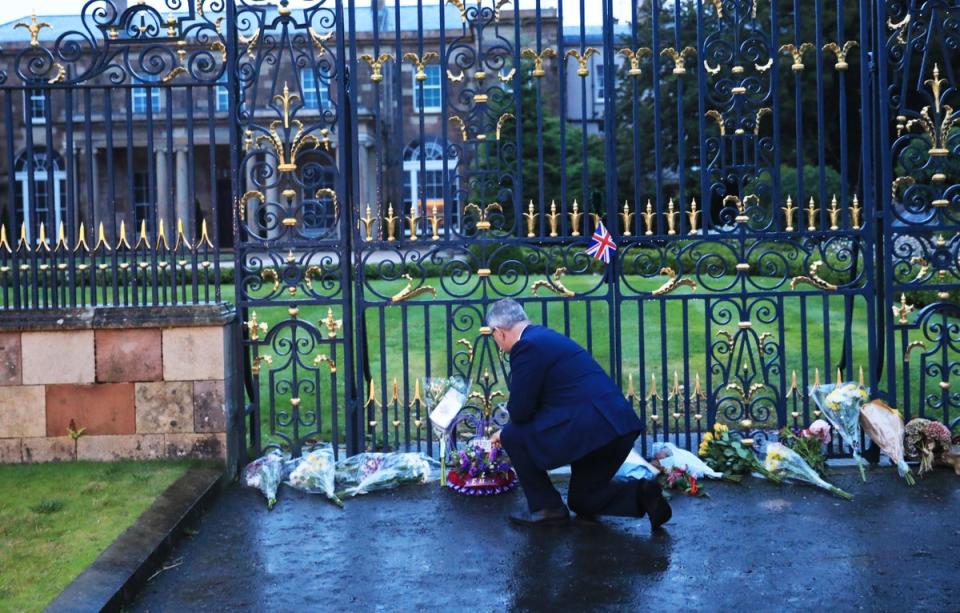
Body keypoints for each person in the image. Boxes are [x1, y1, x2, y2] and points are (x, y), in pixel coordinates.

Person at [486, 298, 671, 529]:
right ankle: (643, 494)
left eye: (493, 336)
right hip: (615, 428)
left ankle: (547, 508)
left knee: (512, 434)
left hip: (591, 431)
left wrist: (502, 433)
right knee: (583, 500)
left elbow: (520, 412)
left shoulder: (526, 347)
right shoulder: (545, 336)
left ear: (499, 332)